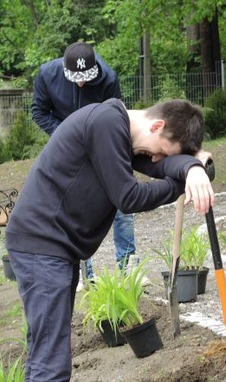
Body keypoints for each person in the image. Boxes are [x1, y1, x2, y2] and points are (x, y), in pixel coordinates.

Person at [6, 97, 214, 382]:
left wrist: (191, 166)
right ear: (157, 129)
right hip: (41, 248)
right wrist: (182, 179)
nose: (154, 159)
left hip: (53, 250)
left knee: (48, 360)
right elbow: (129, 195)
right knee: (50, 361)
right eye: (160, 150)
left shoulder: (121, 133)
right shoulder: (106, 123)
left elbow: (159, 165)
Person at [32, 42, 137, 282]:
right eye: (75, 79)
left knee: (122, 206)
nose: (81, 84)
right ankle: (83, 275)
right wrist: (67, 135)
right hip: (67, 148)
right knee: (75, 208)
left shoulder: (108, 78)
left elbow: (116, 116)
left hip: (102, 145)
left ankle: (128, 268)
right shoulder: (47, 75)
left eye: (85, 78)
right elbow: (39, 111)